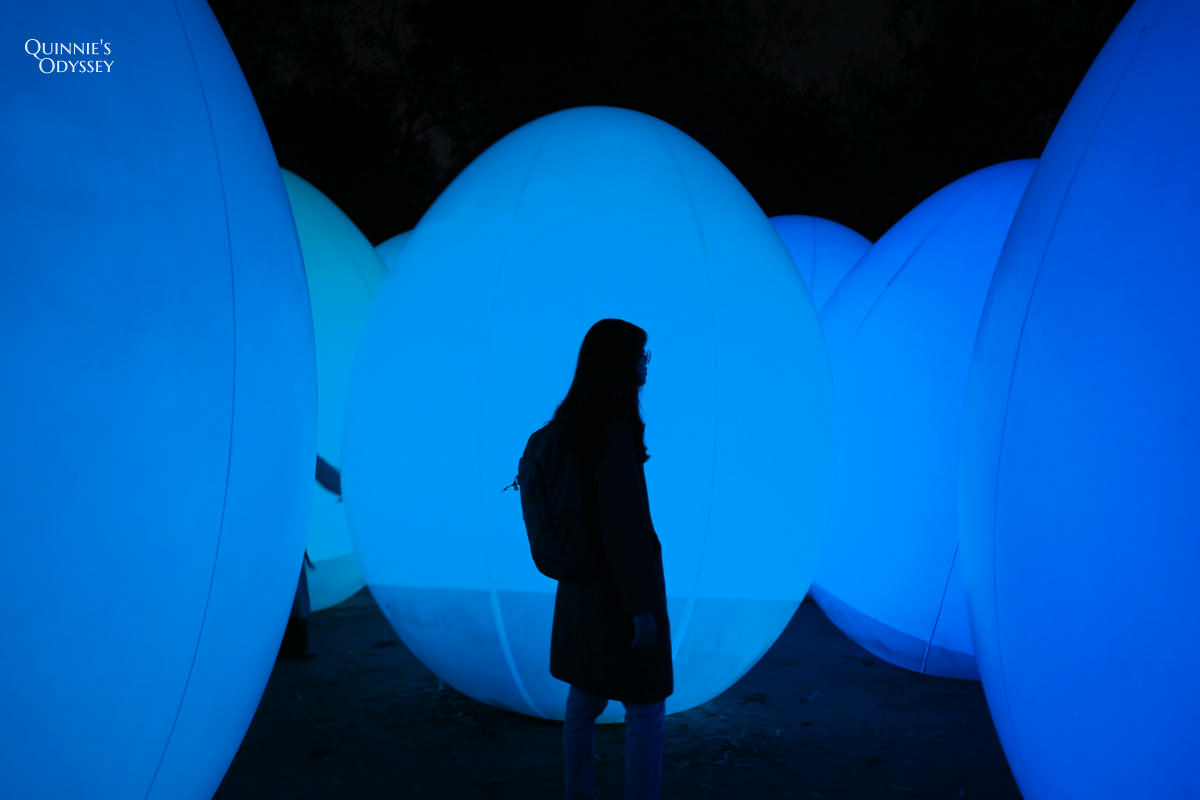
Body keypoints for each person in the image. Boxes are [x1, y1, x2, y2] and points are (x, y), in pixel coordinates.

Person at [549, 318, 672, 800]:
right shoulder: (615, 437)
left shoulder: (569, 428)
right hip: (619, 595)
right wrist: (640, 607)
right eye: (641, 354)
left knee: (583, 701)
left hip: (581, 589)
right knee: (646, 711)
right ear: (620, 363)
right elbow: (627, 530)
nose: (646, 364)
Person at [279, 454, 343, 660]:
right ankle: (293, 646)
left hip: (268, 528)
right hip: (281, 528)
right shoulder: (293, 444)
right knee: (292, 588)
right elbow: (323, 471)